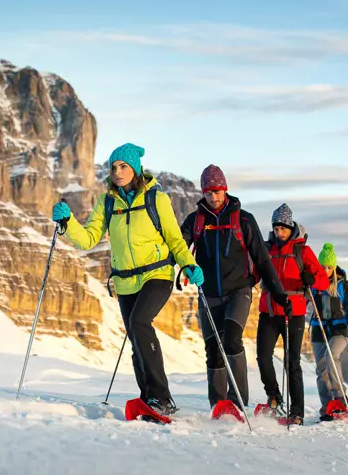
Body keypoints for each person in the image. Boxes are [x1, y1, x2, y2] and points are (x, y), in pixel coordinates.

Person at [52, 143, 204, 416]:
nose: (117, 172)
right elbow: (88, 238)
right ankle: (149, 398)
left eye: (123, 166)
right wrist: (68, 223)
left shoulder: (157, 199)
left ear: (135, 169)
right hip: (125, 281)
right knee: (136, 338)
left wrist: (190, 265)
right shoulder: (108, 202)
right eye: (113, 167)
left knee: (139, 322)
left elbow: (175, 240)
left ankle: (163, 397)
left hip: (157, 274)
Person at [181, 165, 288, 411]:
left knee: (231, 339)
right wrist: (184, 266)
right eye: (208, 193)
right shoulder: (195, 220)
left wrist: (279, 293)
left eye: (217, 192)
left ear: (225, 189)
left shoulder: (243, 219)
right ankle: (218, 405)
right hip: (208, 293)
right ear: (203, 193)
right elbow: (178, 248)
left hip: (238, 291)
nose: (214, 198)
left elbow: (262, 259)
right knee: (212, 348)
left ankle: (238, 401)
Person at [256, 204, 329, 425]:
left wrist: (311, 279)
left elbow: (323, 281)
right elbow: (254, 271)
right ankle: (274, 396)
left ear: (291, 228)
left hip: (293, 313)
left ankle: (297, 412)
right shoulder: (267, 249)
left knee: (292, 362)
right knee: (262, 357)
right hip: (268, 310)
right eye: (276, 229)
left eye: (283, 229)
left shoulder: (302, 251)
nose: (279, 233)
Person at [310, 243, 348, 421]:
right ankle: (327, 407)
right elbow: (303, 298)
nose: (326, 270)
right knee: (321, 368)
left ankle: (340, 400)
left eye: (329, 267)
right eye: (323, 267)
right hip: (318, 328)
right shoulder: (313, 284)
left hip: (340, 328)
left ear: (334, 267)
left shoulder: (343, 285)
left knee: (331, 356)